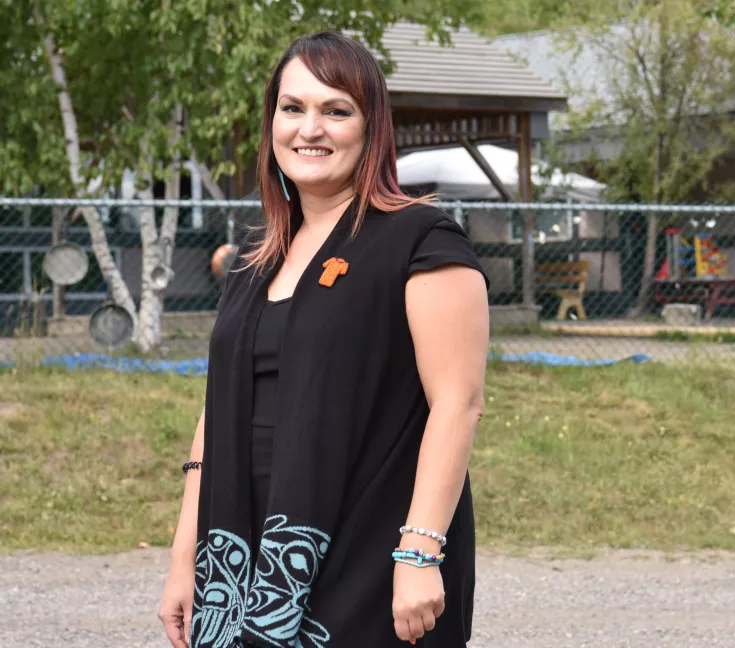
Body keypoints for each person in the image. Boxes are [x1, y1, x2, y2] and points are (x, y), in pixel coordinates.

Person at [157, 31, 490, 648]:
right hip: (242, 545)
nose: (310, 128)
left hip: (368, 542)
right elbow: (221, 410)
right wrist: (186, 555)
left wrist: (419, 554)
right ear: (272, 123)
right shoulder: (257, 255)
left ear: (371, 129)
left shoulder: (421, 240)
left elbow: (458, 402)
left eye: (336, 111)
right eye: (293, 108)